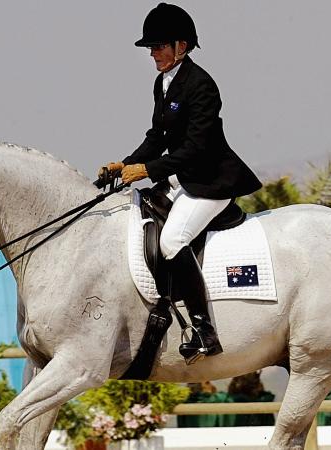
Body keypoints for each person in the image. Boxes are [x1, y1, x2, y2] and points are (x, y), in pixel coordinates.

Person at [99, 3, 261, 363]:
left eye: (159, 46)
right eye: (150, 48)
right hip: (183, 178)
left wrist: (146, 170)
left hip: (211, 181)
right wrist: (125, 164)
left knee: (172, 239)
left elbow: (194, 149)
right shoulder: (164, 82)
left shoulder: (201, 85)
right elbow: (157, 135)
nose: (153, 53)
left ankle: (204, 328)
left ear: (181, 47)